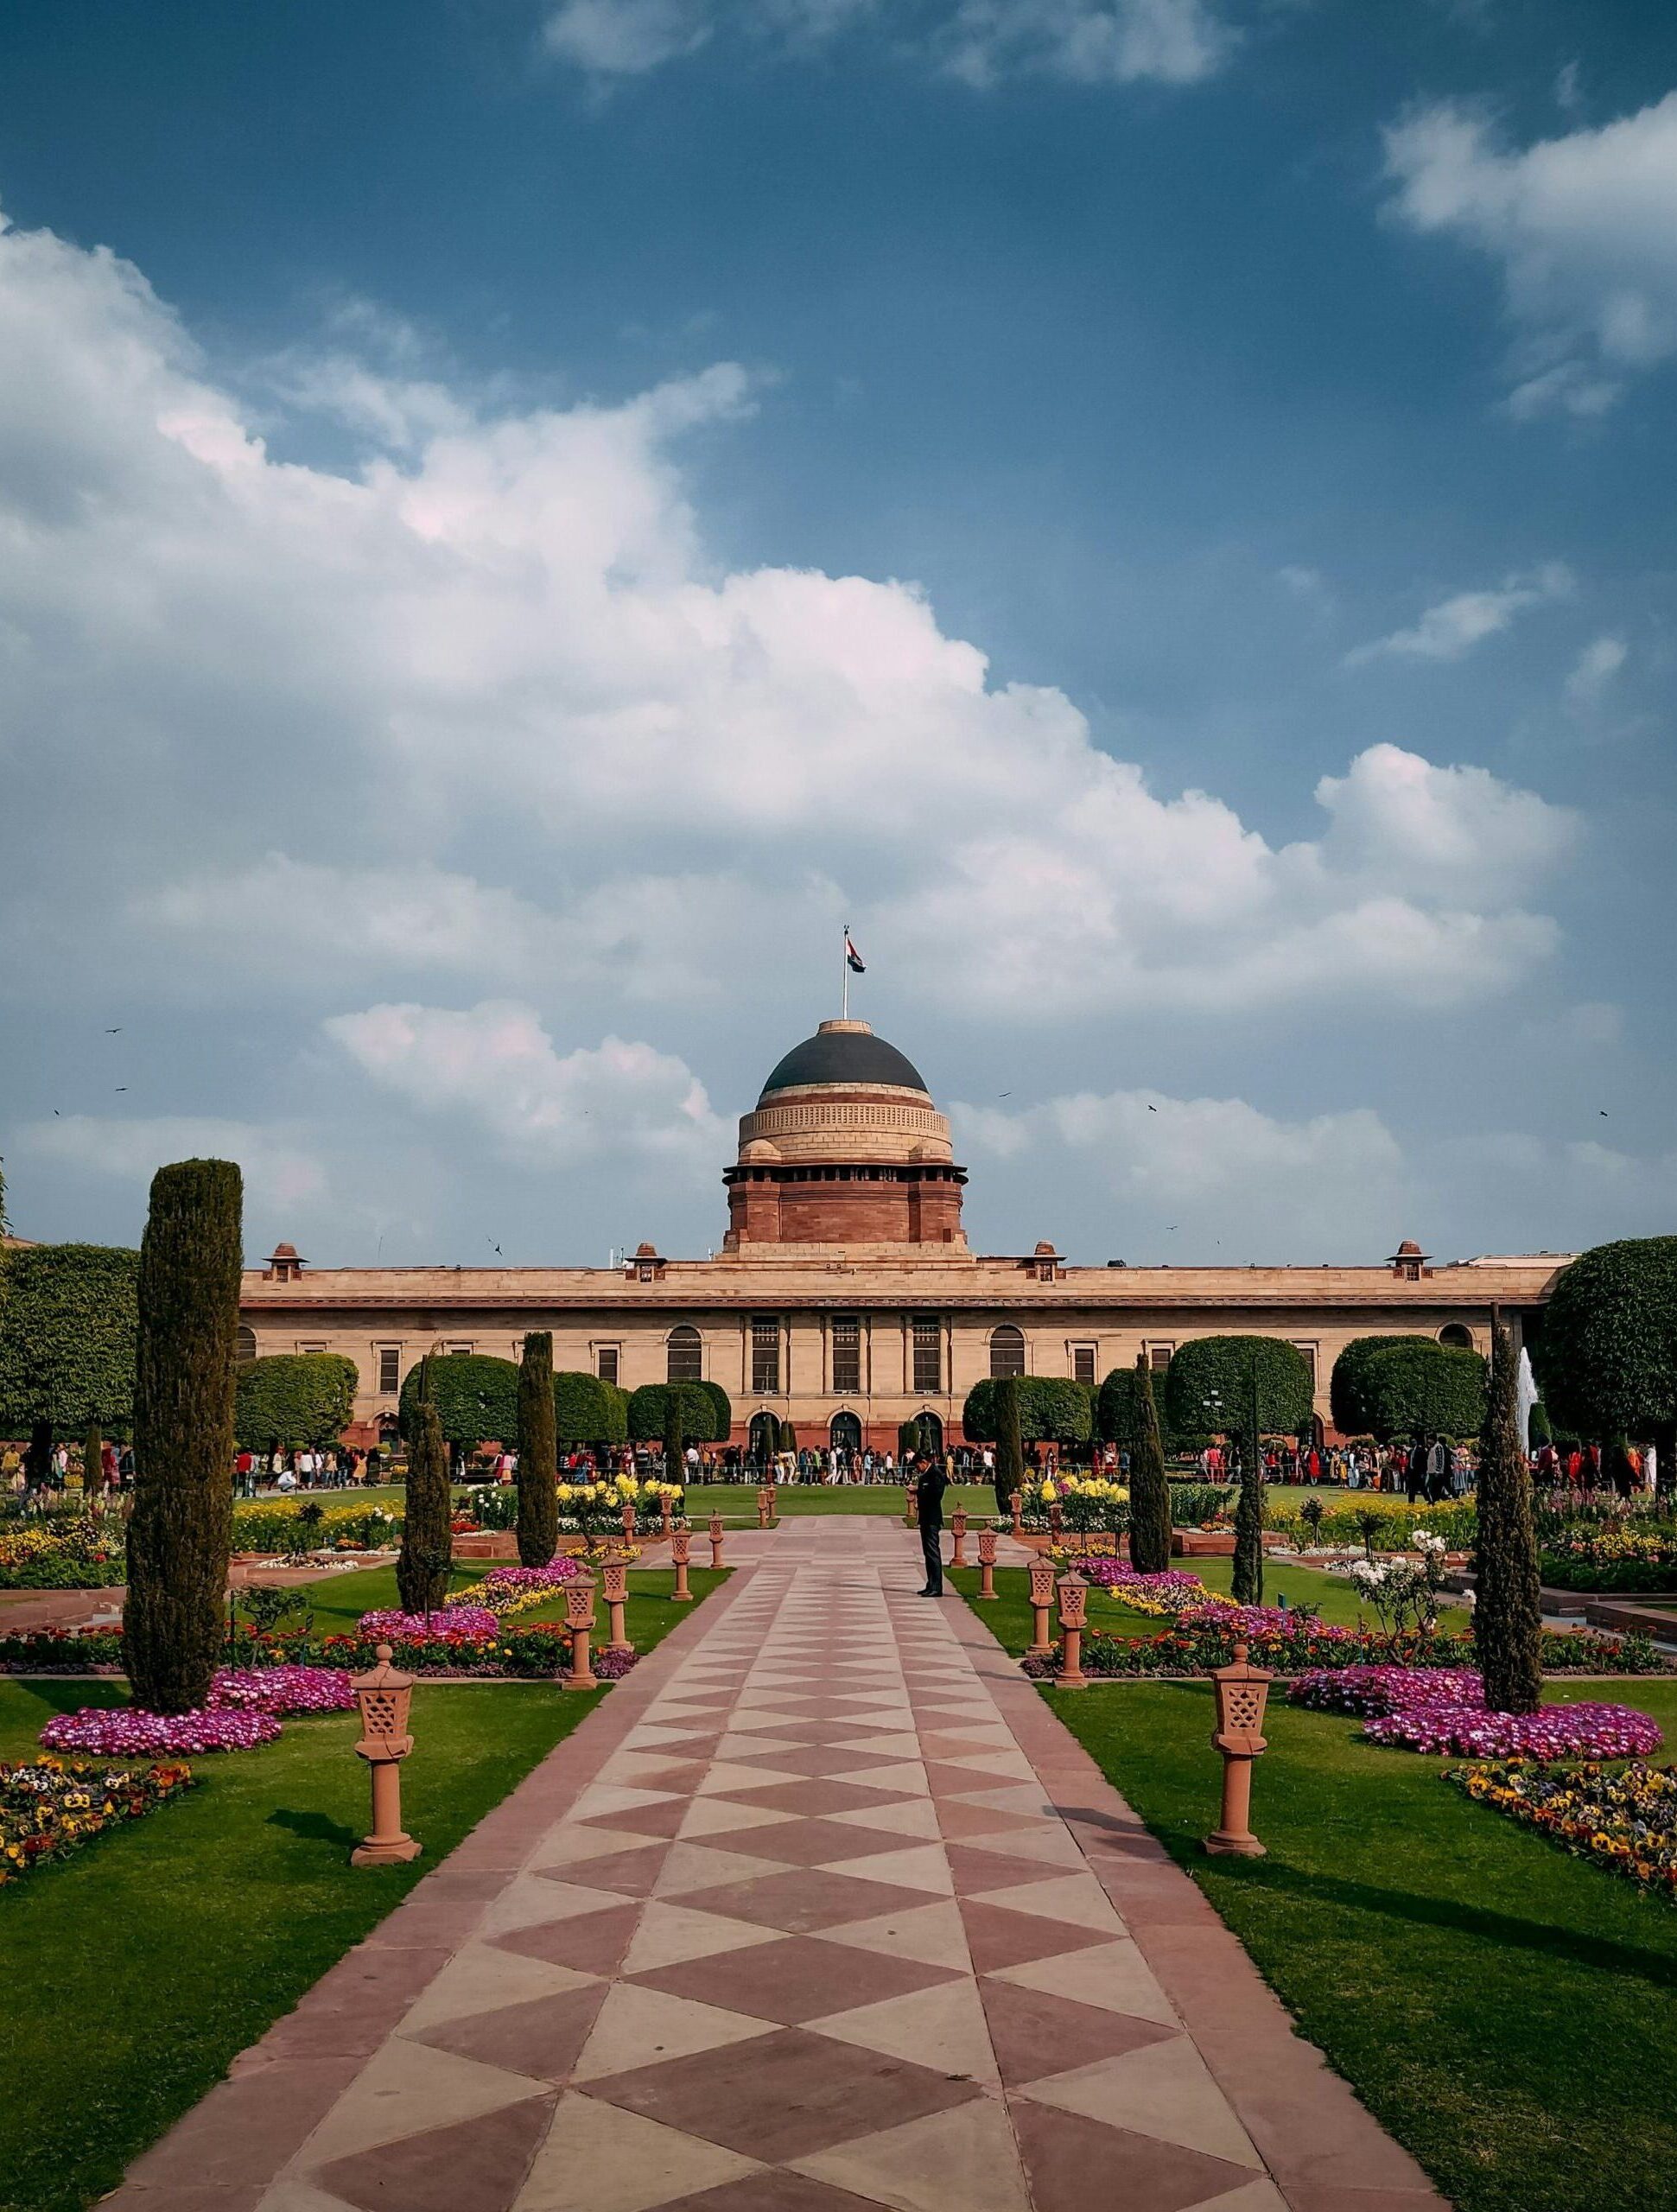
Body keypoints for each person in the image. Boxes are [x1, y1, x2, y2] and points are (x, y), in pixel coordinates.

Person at [914, 1451, 948, 1596]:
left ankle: (936, 1587)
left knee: (933, 1552)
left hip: (932, 1518)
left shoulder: (935, 1474)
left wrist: (919, 1491)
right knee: (928, 1552)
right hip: (926, 1518)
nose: (917, 1469)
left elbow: (936, 1495)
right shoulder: (927, 1474)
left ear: (924, 1462)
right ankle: (930, 1584)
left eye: (917, 1465)